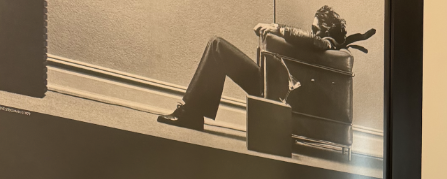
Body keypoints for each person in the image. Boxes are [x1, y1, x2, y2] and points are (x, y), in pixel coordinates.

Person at [158, 6, 375, 131]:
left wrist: (279, 28)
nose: (312, 32)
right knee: (217, 47)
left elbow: (315, 42)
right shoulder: (328, 45)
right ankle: (192, 112)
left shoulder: (328, 43)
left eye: (315, 28)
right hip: (274, 87)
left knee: (217, 47)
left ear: (328, 30)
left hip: (277, 94)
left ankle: (191, 113)